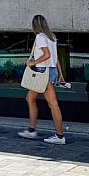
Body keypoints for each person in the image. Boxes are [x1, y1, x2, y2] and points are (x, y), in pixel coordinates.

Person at [18, 14, 66, 145]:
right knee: (30, 98)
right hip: (51, 71)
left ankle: (60, 136)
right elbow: (55, 59)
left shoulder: (40, 37)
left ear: (35, 25)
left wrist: (33, 63)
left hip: (42, 73)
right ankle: (32, 130)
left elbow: (47, 55)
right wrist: (60, 74)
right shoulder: (52, 37)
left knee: (53, 104)